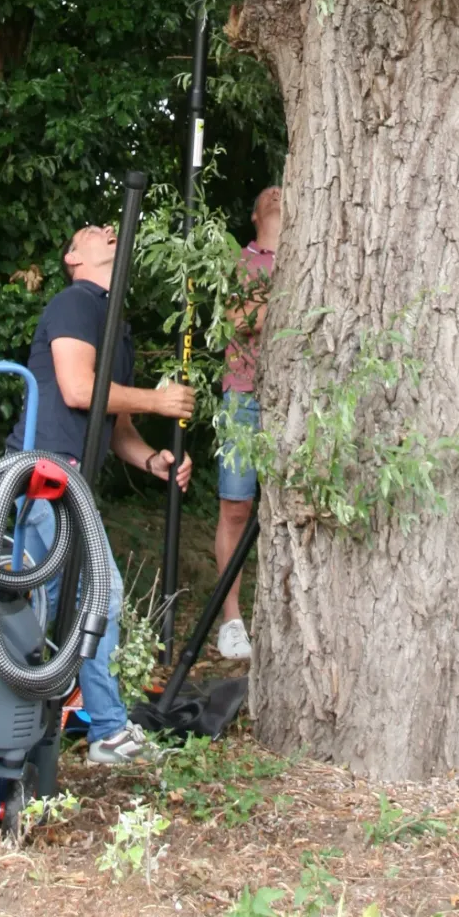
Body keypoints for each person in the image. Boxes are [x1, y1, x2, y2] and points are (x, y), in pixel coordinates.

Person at [9, 223, 195, 763]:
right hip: (44, 470)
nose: (110, 230)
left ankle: (27, 716)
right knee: (98, 594)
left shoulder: (116, 325)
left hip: (68, 476)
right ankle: (108, 731)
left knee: (43, 606)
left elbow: (114, 429)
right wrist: (159, 402)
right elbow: (75, 388)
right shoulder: (76, 302)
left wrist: (154, 460)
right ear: (72, 256)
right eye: (94, 230)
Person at [213, 184, 281, 662]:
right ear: (255, 214)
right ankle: (231, 619)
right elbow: (237, 318)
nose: (278, 194)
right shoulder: (241, 259)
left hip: (298, 399)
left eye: (284, 190)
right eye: (268, 193)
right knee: (236, 508)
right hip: (242, 395)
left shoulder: (319, 253)